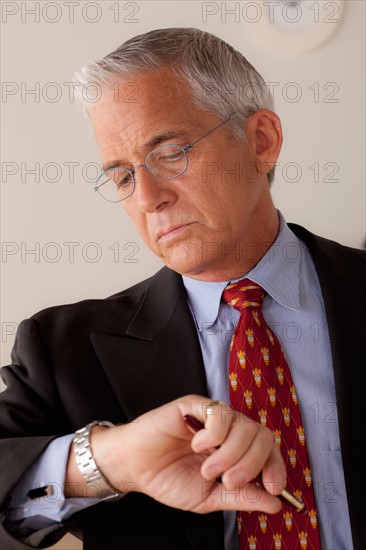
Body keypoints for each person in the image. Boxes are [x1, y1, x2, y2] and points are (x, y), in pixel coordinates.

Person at [0, 28, 364, 550]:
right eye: (123, 177)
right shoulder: (64, 348)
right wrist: (113, 461)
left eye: (170, 152)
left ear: (261, 141)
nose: (147, 197)